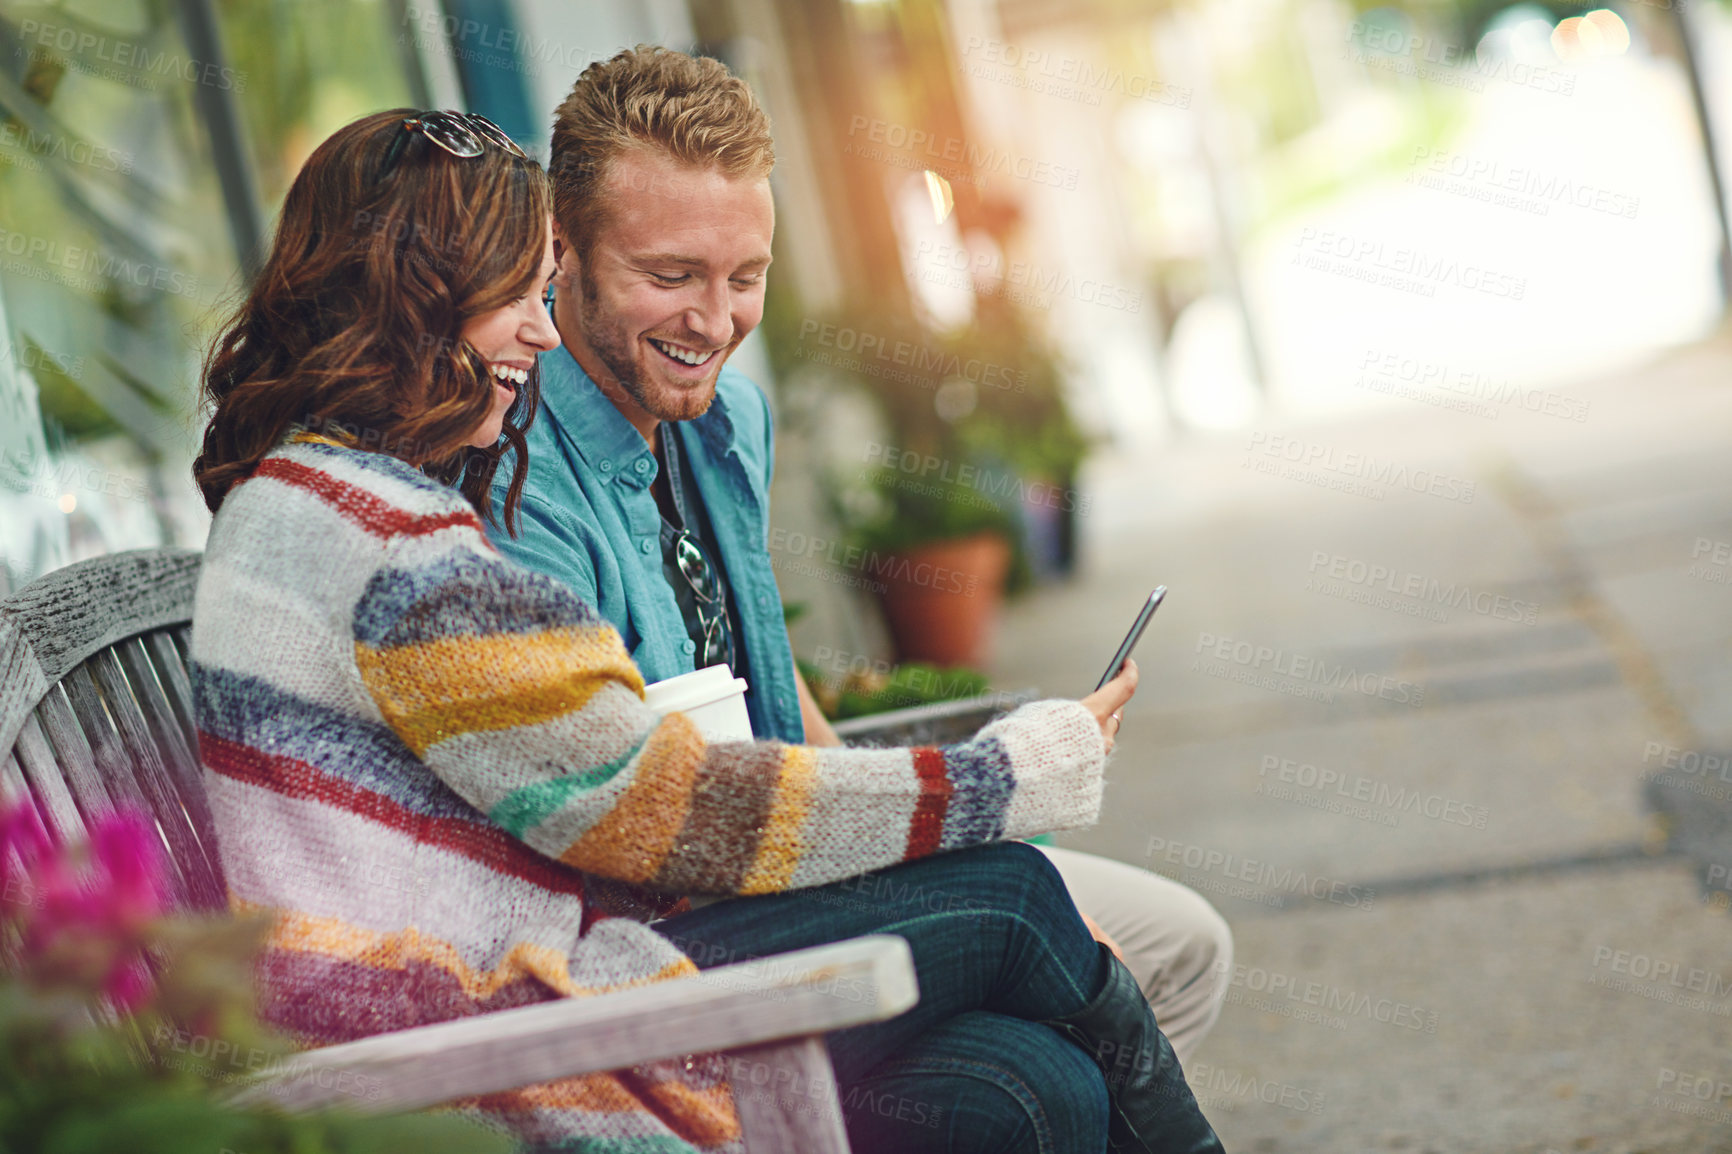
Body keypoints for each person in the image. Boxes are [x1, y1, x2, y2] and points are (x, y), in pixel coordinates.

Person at [188, 108, 1222, 1154]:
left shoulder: (319, 502)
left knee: (1033, 1084)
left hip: (504, 1009)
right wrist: (1003, 776)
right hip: (477, 1051)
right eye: (511, 297)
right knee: (1010, 897)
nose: (540, 331)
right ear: (411, 299)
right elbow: (653, 802)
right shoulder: (386, 542)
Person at [489, 44, 1234, 1062]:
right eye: (668, 277)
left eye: (744, 276)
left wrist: (947, 825)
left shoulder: (729, 421)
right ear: (560, 252)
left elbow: (764, 678)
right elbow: (626, 811)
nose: (714, 321)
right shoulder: (521, 482)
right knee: (1041, 1047)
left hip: (805, 860)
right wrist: (975, 802)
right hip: (679, 927)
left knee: (1181, 943)